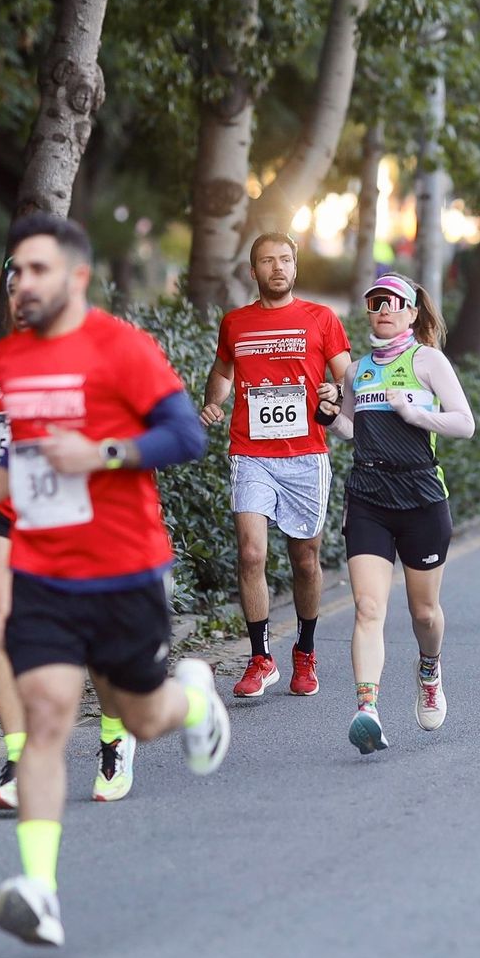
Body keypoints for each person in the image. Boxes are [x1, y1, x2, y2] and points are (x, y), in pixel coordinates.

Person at [0, 214, 229, 947]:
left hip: (124, 567)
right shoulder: (10, 359)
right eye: (14, 271)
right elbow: (30, 454)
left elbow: (187, 434)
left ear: (75, 277)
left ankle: (194, 702)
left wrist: (105, 452)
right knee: (44, 717)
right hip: (44, 566)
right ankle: (39, 889)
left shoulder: (121, 348)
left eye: (36, 270)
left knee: (141, 717)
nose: (21, 283)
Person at [200, 233, 352, 699]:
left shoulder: (321, 318)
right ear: (254, 271)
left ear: (295, 267)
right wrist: (213, 402)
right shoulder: (236, 323)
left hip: (306, 454)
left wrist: (334, 393)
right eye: (267, 261)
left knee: (304, 559)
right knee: (251, 554)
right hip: (251, 454)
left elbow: (347, 375)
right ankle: (261, 658)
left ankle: (304, 652)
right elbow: (224, 371)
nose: (277, 267)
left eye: (285, 259)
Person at [328, 274, 475, 755]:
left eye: (393, 303)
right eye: (375, 303)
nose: (383, 310)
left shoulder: (428, 361)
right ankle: (366, 708)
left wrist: (416, 416)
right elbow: (351, 429)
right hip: (368, 493)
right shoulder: (358, 370)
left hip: (421, 495)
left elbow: (464, 423)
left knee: (424, 612)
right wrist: (329, 416)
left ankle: (429, 668)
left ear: (412, 313)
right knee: (368, 608)